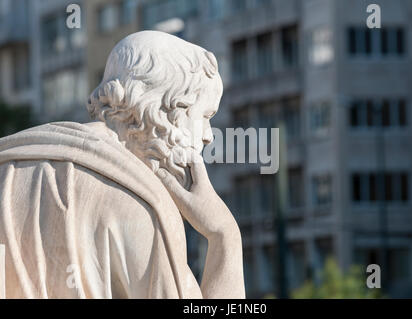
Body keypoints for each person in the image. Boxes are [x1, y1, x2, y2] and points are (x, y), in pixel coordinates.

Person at [0, 31, 245, 299]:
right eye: (205, 115)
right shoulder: (140, 204)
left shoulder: (9, 165)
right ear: (165, 109)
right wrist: (224, 235)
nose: (208, 135)